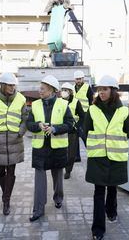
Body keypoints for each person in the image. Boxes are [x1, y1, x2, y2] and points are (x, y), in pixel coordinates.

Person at [84, 75, 129, 240]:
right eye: (99, 89)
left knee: (112, 186)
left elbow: (127, 133)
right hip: (98, 157)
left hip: (116, 155)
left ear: (113, 90)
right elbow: (86, 130)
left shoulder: (124, 110)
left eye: (105, 89)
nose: (101, 92)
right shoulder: (92, 109)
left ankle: (111, 210)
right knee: (98, 191)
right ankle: (98, 229)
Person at [26, 75, 74, 222]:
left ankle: (58, 198)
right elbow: (29, 124)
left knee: (58, 177)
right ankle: (38, 209)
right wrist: (38, 125)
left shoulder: (63, 105)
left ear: (52, 90)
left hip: (57, 148)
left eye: (43, 89)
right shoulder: (35, 105)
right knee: (39, 180)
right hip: (40, 148)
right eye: (40, 88)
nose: (39, 91)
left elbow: (70, 124)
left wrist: (54, 129)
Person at [0, 72, 28, 215]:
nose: (12, 87)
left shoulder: (21, 98)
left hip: (15, 140)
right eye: (9, 85)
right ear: (2, 85)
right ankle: (6, 194)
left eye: (13, 85)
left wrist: (21, 132)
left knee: (11, 171)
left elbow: (25, 118)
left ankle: (6, 200)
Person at [60, 82, 85, 179]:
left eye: (66, 90)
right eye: (62, 90)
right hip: (61, 130)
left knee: (71, 154)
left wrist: (77, 126)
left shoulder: (76, 102)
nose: (63, 92)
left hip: (72, 132)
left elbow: (82, 116)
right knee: (61, 152)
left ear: (70, 92)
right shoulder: (58, 101)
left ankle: (68, 170)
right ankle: (59, 168)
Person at [73, 70, 93, 161]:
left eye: (80, 79)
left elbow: (91, 101)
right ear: (74, 80)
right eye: (77, 79)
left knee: (84, 135)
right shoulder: (73, 89)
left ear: (83, 79)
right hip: (75, 116)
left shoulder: (87, 87)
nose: (79, 80)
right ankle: (77, 157)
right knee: (75, 137)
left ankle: (91, 153)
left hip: (85, 115)